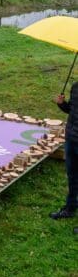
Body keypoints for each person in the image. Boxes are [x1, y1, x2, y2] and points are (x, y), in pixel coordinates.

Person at [50, 81, 78, 220]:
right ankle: (70, 208)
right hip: (71, 139)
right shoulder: (75, 86)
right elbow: (72, 110)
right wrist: (62, 104)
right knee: (72, 176)